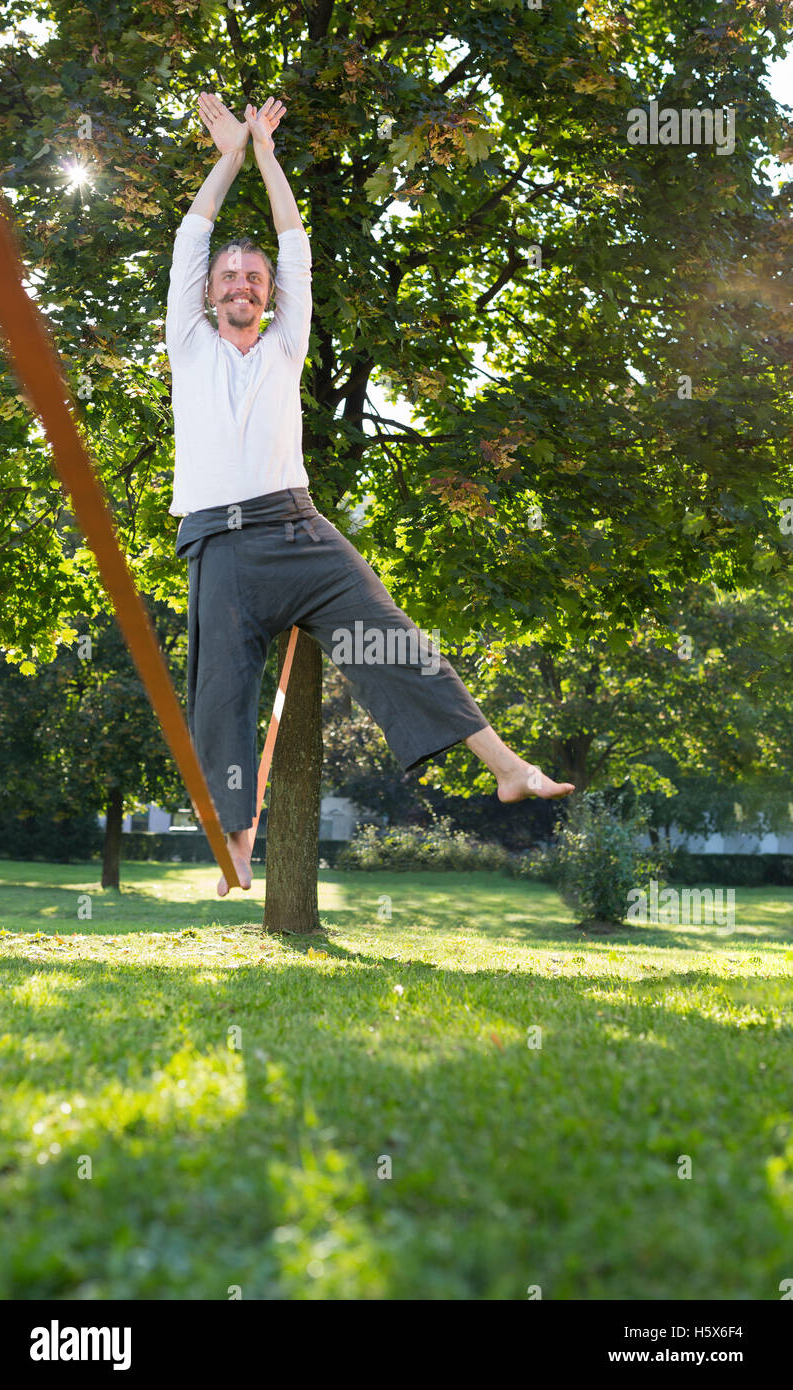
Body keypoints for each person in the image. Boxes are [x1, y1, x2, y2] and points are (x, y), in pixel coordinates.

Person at [166, 93, 574, 896]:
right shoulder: (188, 343)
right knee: (220, 693)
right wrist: (228, 157)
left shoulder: (286, 341)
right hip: (218, 543)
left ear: (271, 295)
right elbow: (191, 235)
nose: (242, 282)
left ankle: (507, 768)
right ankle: (237, 844)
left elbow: (295, 243)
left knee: (393, 641)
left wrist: (268, 157)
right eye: (228, 276)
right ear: (209, 292)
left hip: (299, 532)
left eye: (254, 277)